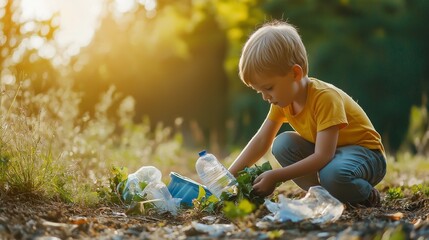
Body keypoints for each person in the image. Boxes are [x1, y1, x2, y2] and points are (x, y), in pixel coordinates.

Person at [228, 20, 387, 207]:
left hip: (365, 156)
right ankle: (323, 196)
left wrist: (276, 176)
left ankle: (363, 194)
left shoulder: (325, 98)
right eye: (259, 91)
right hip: (334, 156)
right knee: (282, 143)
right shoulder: (283, 101)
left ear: (295, 73)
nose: (265, 97)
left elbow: (323, 156)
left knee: (333, 175)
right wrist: (228, 177)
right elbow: (262, 140)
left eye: (269, 88)